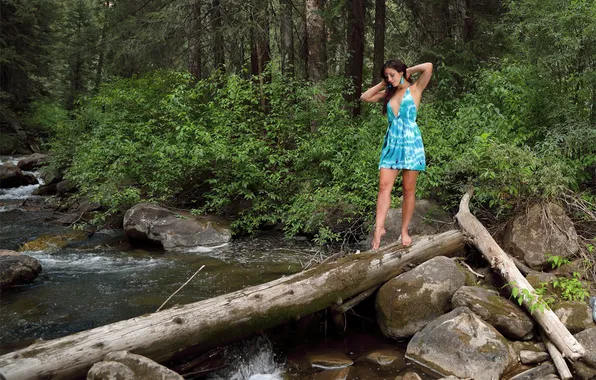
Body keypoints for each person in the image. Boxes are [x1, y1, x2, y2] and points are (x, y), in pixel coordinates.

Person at [360, 60, 433, 249]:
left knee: (408, 190)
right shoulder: (387, 94)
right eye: (387, 76)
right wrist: (384, 83)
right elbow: (365, 97)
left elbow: (428, 66)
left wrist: (408, 71)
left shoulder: (416, 88)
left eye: (392, 74)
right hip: (392, 144)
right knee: (384, 186)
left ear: (401, 72)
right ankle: (379, 228)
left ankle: (404, 231)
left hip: (411, 144)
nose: (390, 78)